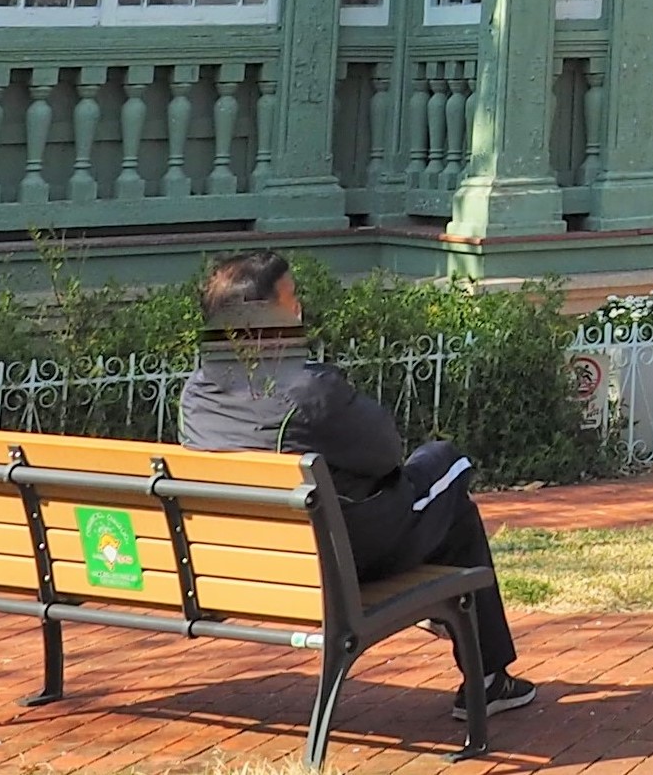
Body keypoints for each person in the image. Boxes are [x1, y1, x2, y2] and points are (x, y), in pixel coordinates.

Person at [178, 250, 536, 716]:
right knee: (448, 470)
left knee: (427, 491)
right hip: (338, 562)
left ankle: (458, 629)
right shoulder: (309, 392)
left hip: (240, 565)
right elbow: (388, 452)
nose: (300, 308)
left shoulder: (196, 391)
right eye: (291, 300)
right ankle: (485, 678)